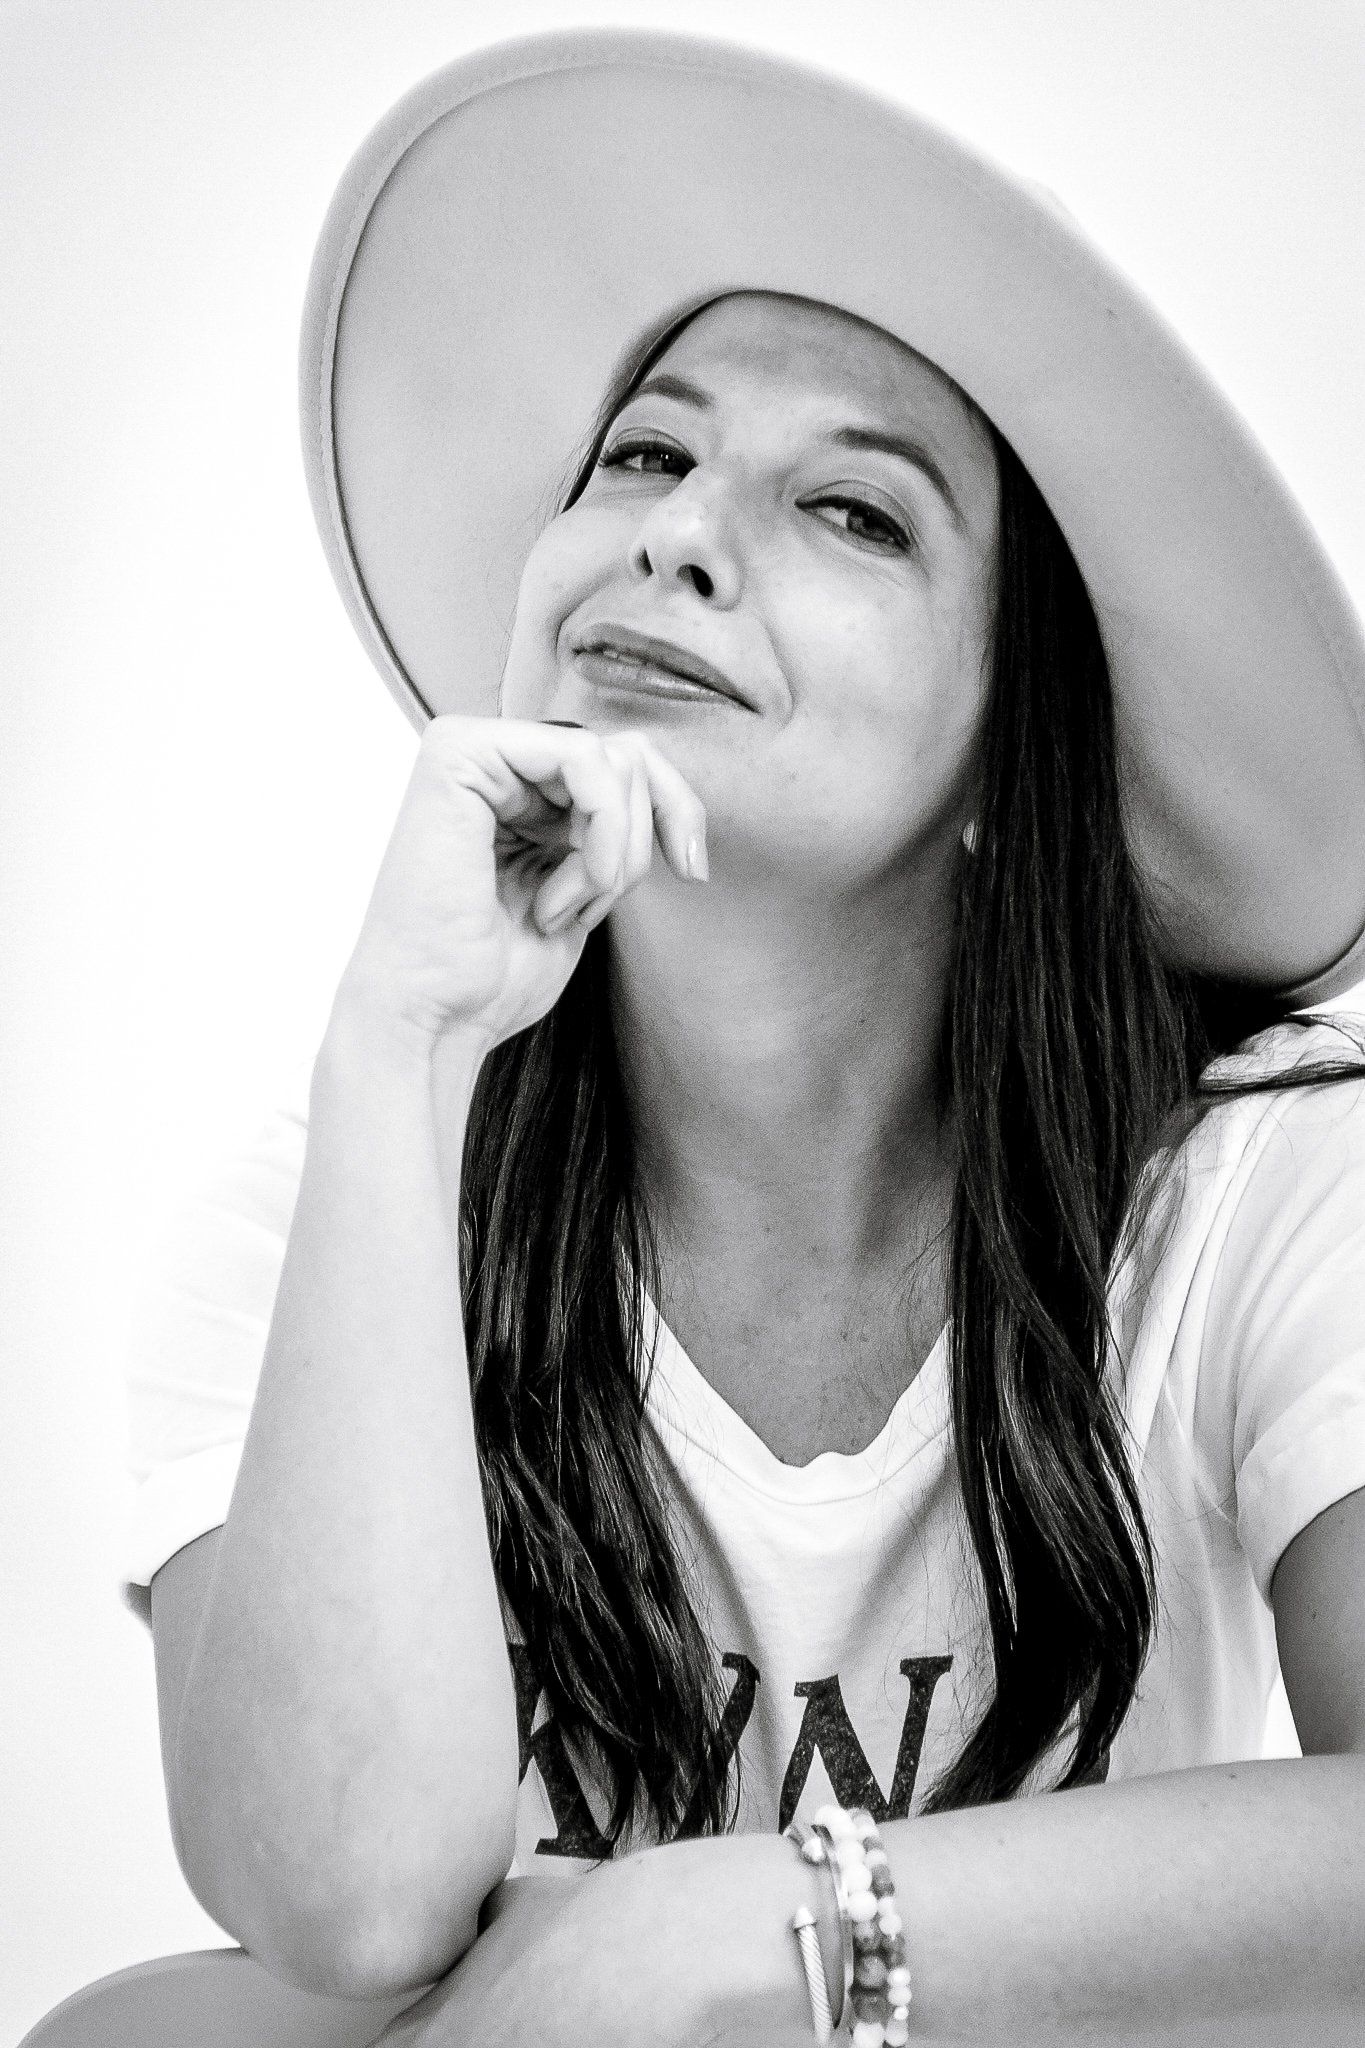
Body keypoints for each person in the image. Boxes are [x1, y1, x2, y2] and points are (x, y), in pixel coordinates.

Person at [123, 30, 1365, 2047]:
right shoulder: (329, 1197)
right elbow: (344, 1901)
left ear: (1000, 758)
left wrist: (720, 1936)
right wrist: (399, 1038)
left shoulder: (1261, 1186)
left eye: (853, 515)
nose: (677, 533)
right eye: (643, 452)